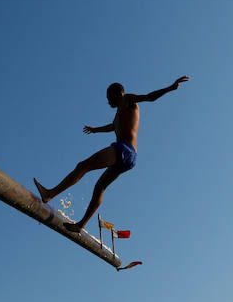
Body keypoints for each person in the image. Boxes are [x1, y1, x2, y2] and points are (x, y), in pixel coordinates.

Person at [33, 76, 189, 233]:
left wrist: (169, 88)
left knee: (83, 166)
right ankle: (80, 226)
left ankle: (50, 194)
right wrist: (95, 130)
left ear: (117, 93)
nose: (108, 101)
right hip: (129, 156)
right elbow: (112, 126)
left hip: (124, 149)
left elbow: (149, 97)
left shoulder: (127, 99)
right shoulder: (119, 113)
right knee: (99, 187)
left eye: (109, 97)